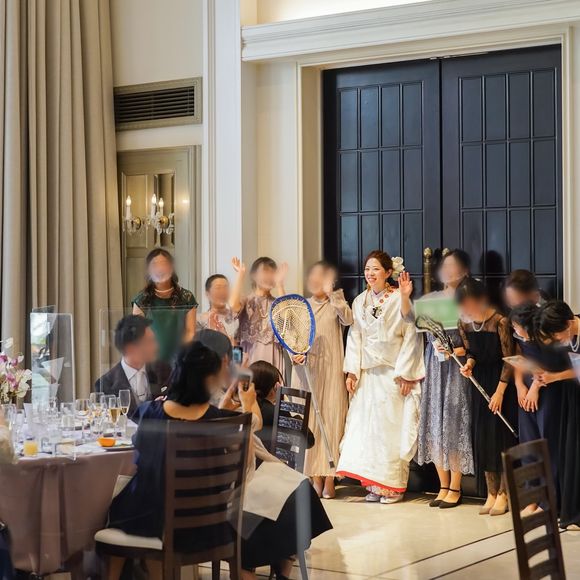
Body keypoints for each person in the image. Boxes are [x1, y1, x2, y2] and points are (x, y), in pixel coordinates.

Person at [106, 341, 331, 579]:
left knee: (119, 506)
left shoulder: (150, 413)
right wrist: (248, 401)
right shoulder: (220, 420)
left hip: (155, 520)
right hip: (210, 523)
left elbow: (140, 453)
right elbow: (250, 428)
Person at [336, 250, 424, 504]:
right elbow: (355, 337)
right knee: (367, 431)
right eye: (367, 269)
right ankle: (374, 484)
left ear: (388, 273)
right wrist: (352, 371)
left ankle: (393, 486)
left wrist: (407, 373)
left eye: (375, 269)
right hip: (368, 374)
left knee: (389, 430)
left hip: (391, 374)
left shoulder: (397, 298)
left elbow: (411, 333)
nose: (370, 273)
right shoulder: (360, 301)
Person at [406, 249, 474, 509]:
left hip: (456, 366)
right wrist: (404, 296)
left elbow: (476, 339)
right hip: (434, 365)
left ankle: (456, 486)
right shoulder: (431, 299)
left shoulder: (469, 298)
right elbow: (409, 319)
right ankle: (442, 485)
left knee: (454, 423)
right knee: (435, 421)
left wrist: (457, 351)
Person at [291, 261, 353, 499]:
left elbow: (348, 320)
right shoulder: (301, 305)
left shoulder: (337, 301)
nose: (317, 280)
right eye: (314, 276)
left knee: (332, 417)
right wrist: (294, 354)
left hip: (331, 367)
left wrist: (333, 295)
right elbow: (291, 337)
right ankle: (314, 476)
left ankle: (330, 478)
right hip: (306, 371)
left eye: (322, 276)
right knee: (310, 420)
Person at [456, 278, 516, 516]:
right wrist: (469, 364)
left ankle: (504, 493)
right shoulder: (464, 323)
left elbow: (509, 359)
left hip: (502, 385)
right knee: (484, 438)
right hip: (480, 384)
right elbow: (471, 352)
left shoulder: (500, 321)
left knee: (501, 438)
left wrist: (499, 392)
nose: (465, 309)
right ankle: (491, 492)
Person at [508, 303, 563, 515]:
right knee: (528, 443)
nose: (514, 330)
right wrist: (520, 386)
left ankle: (549, 501)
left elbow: (552, 366)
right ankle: (532, 497)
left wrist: (534, 388)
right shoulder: (522, 340)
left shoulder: (546, 339)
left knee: (547, 445)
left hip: (547, 392)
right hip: (527, 391)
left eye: (516, 326)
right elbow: (520, 362)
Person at [534, 300, 580, 530]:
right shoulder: (565, 334)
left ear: (569, 323)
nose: (557, 339)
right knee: (571, 452)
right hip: (572, 397)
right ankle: (572, 511)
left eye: (557, 334)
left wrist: (556, 376)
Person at [94, 315, 170, 417]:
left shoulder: (164, 371)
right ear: (131, 348)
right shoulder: (105, 385)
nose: (156, 346)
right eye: (150, 342)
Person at [132, 249, 198, 363]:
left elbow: (190, 332)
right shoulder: (141, 300)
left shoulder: (187, 297)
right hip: (151, 360)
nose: (160, 268)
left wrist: (180, 355)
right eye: (155, 265)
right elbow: (138, 334)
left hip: (180, 359)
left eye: (164, 263)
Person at [231, 256, 288, 376]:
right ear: (254, 276)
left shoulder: (277, 303)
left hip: (273, 358)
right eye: (265, 272)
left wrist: (280, 285)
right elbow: (233, 305)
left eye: (272, 273)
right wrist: (240, 275)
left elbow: (286, 318)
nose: (269, 276)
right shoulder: (247, 301)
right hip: (250, 357)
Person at [251, 359, 315, 454]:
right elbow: (308, 441)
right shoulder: (276, 413)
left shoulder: (243, 408)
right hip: (272, 462)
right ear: (275, 387)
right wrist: (296, 417)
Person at [197, 274, 239, 344]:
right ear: (207, 294)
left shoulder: (238, 317)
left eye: (225, 287)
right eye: (218, 288)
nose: (222, 291)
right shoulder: (199, 320)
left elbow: (242, 347)